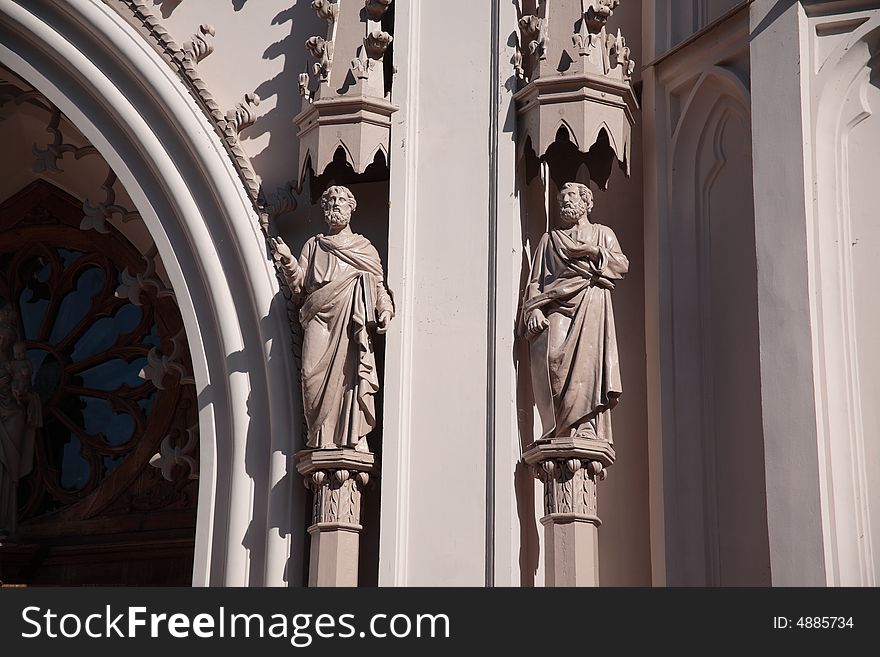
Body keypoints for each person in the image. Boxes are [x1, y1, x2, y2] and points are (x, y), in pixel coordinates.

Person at [272, 186, 394, 453]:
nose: (334, 206)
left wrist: (384, 309)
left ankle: (351, 437)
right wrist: (288, 261)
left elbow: (378, 286)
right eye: (329, 202)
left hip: (351, 322)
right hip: (318, 318)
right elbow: (299, 286)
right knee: (309, 375)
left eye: (340, 201)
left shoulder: (364, 249)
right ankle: (319, 438)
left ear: (352, 208)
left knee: (349, 378)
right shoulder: (314, 245)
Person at [522, 182, 628, 444]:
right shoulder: (550, 240)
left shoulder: (602, 234)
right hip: (557, 305)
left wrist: (592, 251)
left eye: (570, 197)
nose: (564, 203)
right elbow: (536, 281)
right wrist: (533, 309)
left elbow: (621, 265)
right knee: (553, 360)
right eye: (561, 199)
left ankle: (586, 429)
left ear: (586, 202)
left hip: (591, 302)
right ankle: (559, 429)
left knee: (588, 367)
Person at [0, 307, 40, 540]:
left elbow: (27, 395)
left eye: (6, 338)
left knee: (6, 471)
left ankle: (5, 521)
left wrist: (24, 397)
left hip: (12, 417)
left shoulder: (16, 366)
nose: (2, 341)